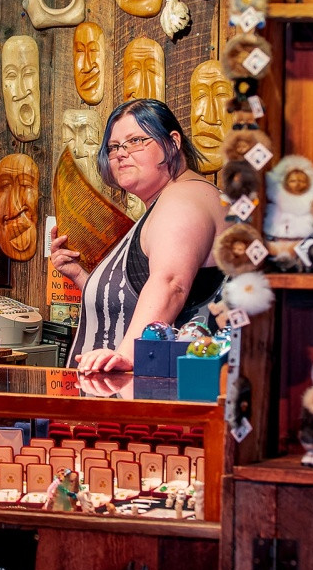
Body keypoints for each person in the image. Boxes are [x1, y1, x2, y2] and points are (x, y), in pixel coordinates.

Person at [51, 99, 228, 374]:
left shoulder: (183, 198)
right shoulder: (167, 201)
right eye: (114, 147)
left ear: (172, 142)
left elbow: (171, 283)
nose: (121, 154)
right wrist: (80, 275)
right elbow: (135, 295)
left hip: (156, 396)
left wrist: (127, 356)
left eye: (135, 141)